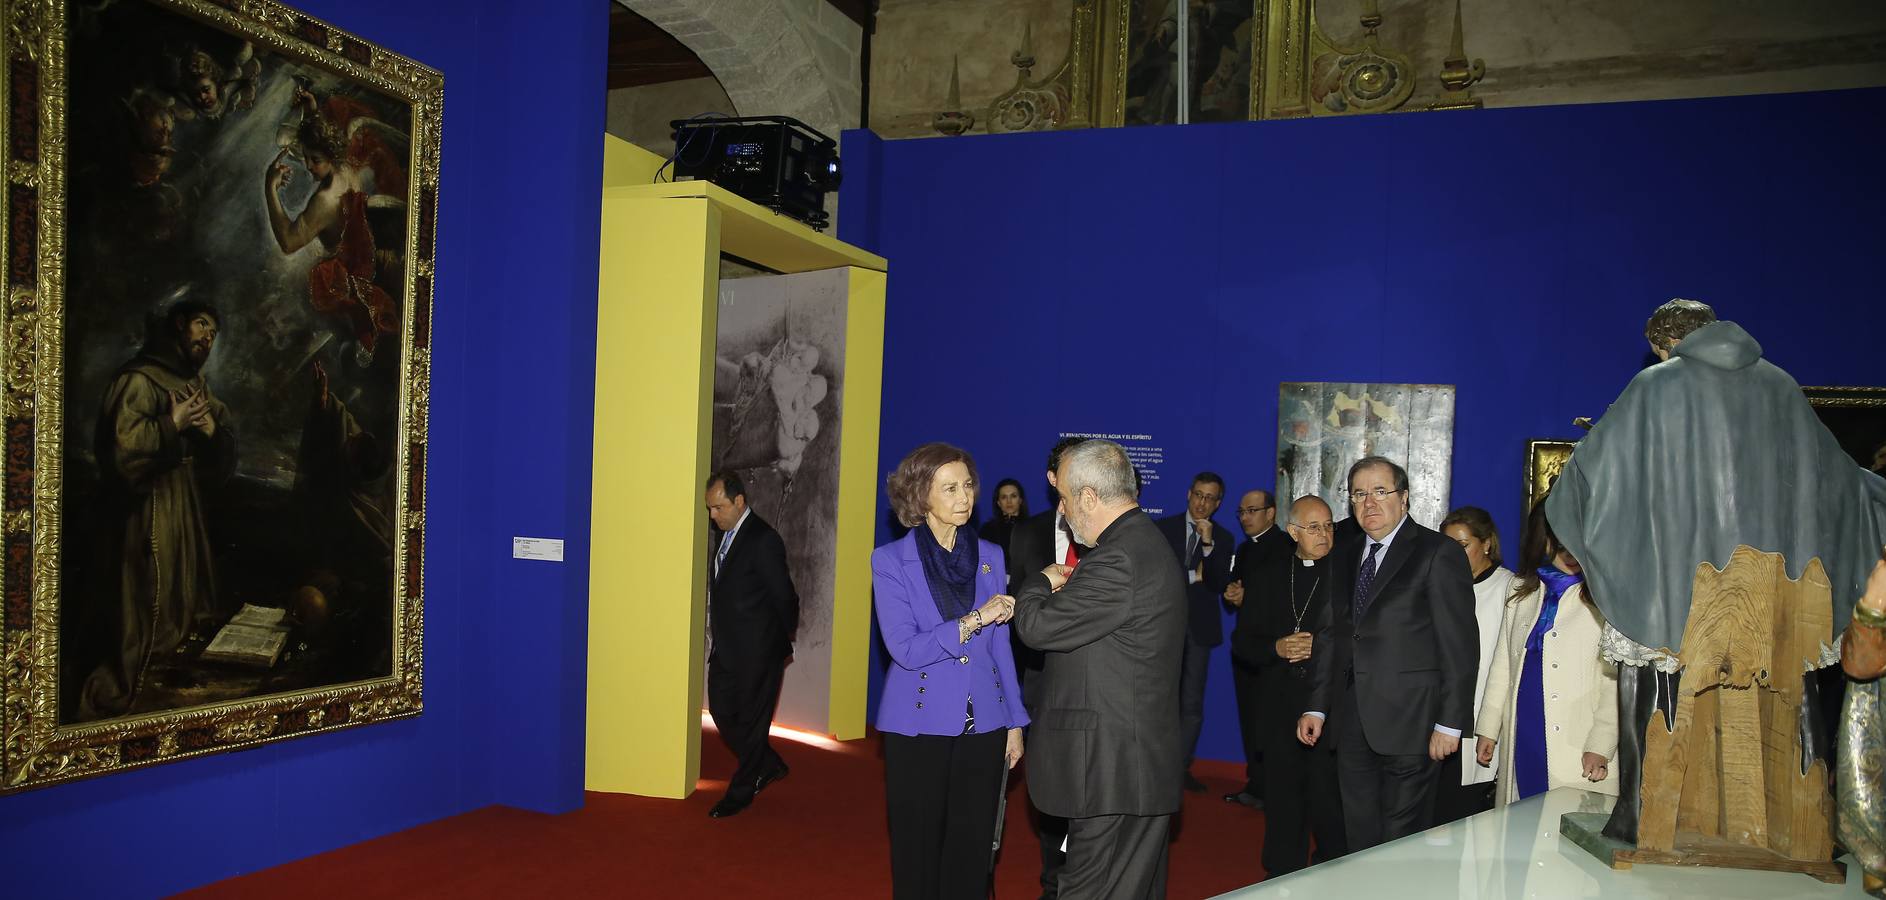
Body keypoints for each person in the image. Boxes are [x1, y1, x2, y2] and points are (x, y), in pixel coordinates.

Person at [1545, 298, 1886, 843]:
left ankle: (1639, 815)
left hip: (1676, 585)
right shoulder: (1781, 387)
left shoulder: (1654, 387)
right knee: (1791, 683)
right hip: (1777, 594)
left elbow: (1588, 479)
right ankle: (1805, 826)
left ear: (1662, 343)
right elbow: (1839, 481)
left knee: (1645, 665)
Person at [1013, 440, 1186, 899]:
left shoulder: (1118, 558)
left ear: (1089, 498)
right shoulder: (1141, 543)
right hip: (1131, 769)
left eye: (1065, 501)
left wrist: (1039, 582)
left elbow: (1035, 627)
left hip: (1113, 773)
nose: (1064, 513)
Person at [1296, 456, 1477, 852]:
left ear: (1405, 497)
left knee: (1402, 841)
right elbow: (1330, 635)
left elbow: (1460, 645)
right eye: (1359, 494)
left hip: (1415, 724)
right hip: (1352, 722)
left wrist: (1450, 723)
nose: (1369, 503)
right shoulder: (1343, 555)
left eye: (1381, 491)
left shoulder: (1437, 553)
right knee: (1359, 834)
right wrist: (1317, 707)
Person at [872, 443, 1028, 899]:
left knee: (973, 847)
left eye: (968, 485)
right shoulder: (889, 562)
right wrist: (973, 619)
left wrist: (1015, 721)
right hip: (917, 726)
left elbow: (1001, 647)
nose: (965, 497)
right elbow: (904, 649)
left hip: (984, 724)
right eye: (951, 488)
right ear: (921, 497)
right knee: (917, 848)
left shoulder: (991, 556)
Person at [78, 300, 237, 721]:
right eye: (203, 326)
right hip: (145, 512)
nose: (208, 337)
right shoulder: (137, 380)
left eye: (214, 333)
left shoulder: (194, 384)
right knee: (150, 607)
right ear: (180, 325)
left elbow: (223, 446)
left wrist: (211, 433)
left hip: (184, 507)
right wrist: (172, 425)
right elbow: (121, 450)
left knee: (185, 602)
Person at [1231, 495, 1347, 876]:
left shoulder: (1346, 574)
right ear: (1293, 531)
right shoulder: (1269, 576)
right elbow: (1243, 644)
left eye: (1329, 525)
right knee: (1284, 804)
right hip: (1280, 705)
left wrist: (1324, 645)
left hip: (1330, 706)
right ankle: (1282, 878)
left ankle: (1333, 874)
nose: (1324, 533)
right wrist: (1276, 647)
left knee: (1330, 804)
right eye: (1314, 527)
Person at [1472, 502, 1618, 805]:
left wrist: (1601, 744)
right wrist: (1488, 728)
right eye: (1560, 544)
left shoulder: (1608, 599)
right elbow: (1503, 666)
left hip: (1579, 739)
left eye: (1575, 543)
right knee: (1520, 823)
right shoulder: (1522, 591)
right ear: (1545, 541)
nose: (1569, 555)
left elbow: (1615, 683)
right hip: (1524, 728)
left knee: (1568, 832)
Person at [1002, 436, 1086, 898]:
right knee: (1049, 787)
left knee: (1089, 786)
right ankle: (1054, 883)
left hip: (1093, 681)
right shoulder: (1027, 532)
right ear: (1054, 479)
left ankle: (1087, 877)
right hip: (1038, 679)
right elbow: (1015, 611)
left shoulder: (1108, 532)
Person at [702, 470, 799, 818]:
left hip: (759, 651)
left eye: (718, 507)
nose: (713, 516)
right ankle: (768, 762)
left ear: (739, 501)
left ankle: (740, 794)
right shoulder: (724, 535)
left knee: (755, 722)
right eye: (710, 509)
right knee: (722, 713)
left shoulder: (763, 540)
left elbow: (785, 597)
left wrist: (778, 641)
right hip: (727, 649)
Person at [1431, 506, 1516, 822]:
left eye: (1463, 545)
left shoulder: (1512, 589)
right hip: (1438, 718)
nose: (1453, 554)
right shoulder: (1439, 588)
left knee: (1470, 818)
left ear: (1487, 544)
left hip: (1482, 719)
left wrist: (1492, 728)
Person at [1155, 471, 1237, 792]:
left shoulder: (1224, 539)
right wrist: (1192, 576)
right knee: (1160, 699)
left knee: (1191, 703)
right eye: (1198, 495)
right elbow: (1163, 579)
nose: (1202, 503)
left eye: (1210, 498)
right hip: (1162, 627)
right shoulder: (1163, 529)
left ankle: (1178, 768)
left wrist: (1207, 546)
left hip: (1200, 631)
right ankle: (1157, 764)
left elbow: (1217, 583)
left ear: (1218, 504)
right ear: (1189, 494)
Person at [1221, 488, 1290, 808]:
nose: (1245, 518)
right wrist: (1232, 594)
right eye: (1241, 512)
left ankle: (1274, 787)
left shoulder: (1287, 548)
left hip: (1273, 651)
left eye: (1252, 511)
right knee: (1249, 719)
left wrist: (1249, 598)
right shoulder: (1245, 549)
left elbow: (1284, 601)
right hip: (1245, 647)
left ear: (1271, 512)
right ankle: (1256, 783)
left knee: (1270, 723)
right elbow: (1236, 589)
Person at [981, 478, 1028, 561]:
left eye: (1013, 496)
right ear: (998, 502)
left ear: (1020, 500)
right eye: (1004, 497)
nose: (1009, 501)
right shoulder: (987, 530)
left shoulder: (1032, 528)